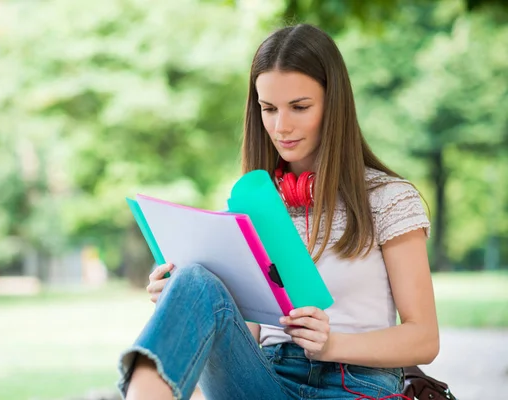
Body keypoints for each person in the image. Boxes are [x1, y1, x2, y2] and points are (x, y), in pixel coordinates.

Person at [117, 24, 439, 400]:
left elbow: (424, 338)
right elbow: (245, 336)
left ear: (333, 105)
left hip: (354, 386)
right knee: (193, 280)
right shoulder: (250, 211)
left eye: (299, 107)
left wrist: (331, 345)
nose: (280, 126)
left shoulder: (388, 198)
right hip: (266, 379)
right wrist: (183, 302)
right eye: (268, 109)